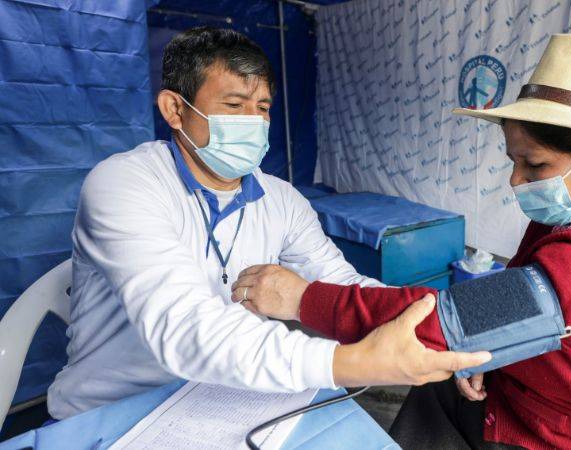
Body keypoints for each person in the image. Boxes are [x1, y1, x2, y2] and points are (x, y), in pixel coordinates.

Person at [237, 34, 571, 449]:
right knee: (440, 375)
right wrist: (495, 353)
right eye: (514, 161)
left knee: (429, 351)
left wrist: (304, 299)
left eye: (535, 165)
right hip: (552, 399)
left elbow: (443, 321)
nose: (516, 180)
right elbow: (504, 308)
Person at [47, 27, 489, 419]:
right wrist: (352, 363)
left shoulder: (281, 200)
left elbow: (343, 286)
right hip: (114, 411)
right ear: (175, 110)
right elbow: (183, 326)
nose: (254, 122)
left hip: (225, 397)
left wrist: (444, 336)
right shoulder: (125, 184)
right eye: (234, 105)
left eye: (262, 107)